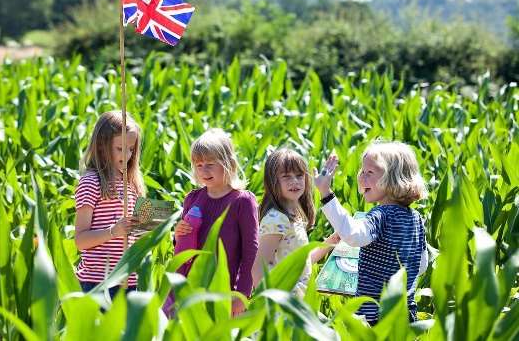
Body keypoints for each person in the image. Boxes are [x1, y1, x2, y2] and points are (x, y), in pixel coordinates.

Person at [315, 140, 429, 324]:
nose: (361, 177)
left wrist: (325, 192)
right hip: (404, 317)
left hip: (373, 319)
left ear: (393, 179)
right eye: (362, 171)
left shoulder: (380, 216)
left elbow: (353, 235)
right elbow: (422, 265)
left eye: (370, 172)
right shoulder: (416, 219)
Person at [174, 128, 259, 316]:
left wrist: (241, 294)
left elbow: (251, 253)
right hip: (190, 290)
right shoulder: (192, 198)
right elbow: (182, 249)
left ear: (228, 163)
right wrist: (178, 233)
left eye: (211, 164)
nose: (204, 170)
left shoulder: (242, 201)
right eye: (199, 164)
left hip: (224, 292)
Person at [74, 111, 145, 298]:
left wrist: (153, 228)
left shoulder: (132, 184)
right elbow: (80, 240)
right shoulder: (91, 182)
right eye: (120, 148)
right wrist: (113, 231)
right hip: (98, 282)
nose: (128, 154)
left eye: (131, 149)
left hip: (128, 280)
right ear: (101, 147)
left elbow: (137, 236)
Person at [251, 148, 340, 297]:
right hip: (285, 307)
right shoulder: (276, 219)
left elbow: (302, 262)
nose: (295, 181)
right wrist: (271, 304)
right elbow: (258, 270)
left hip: (299, 303)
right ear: (273, 181)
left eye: (299, 175)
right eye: (286, 176)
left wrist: (330, 243)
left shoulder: (295, 216)